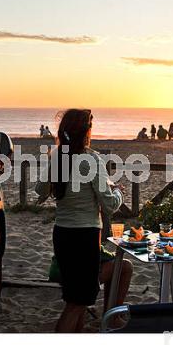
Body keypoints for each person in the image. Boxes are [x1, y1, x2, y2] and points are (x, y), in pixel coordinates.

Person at [35, 109, 125, 332]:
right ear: (86, 132)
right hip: (85, 237)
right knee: (77, 302)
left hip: (62, 234)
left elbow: (40, 190)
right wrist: (118, 192)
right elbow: (110, 204)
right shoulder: (91, 159)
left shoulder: (57, 156)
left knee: (76, 297)